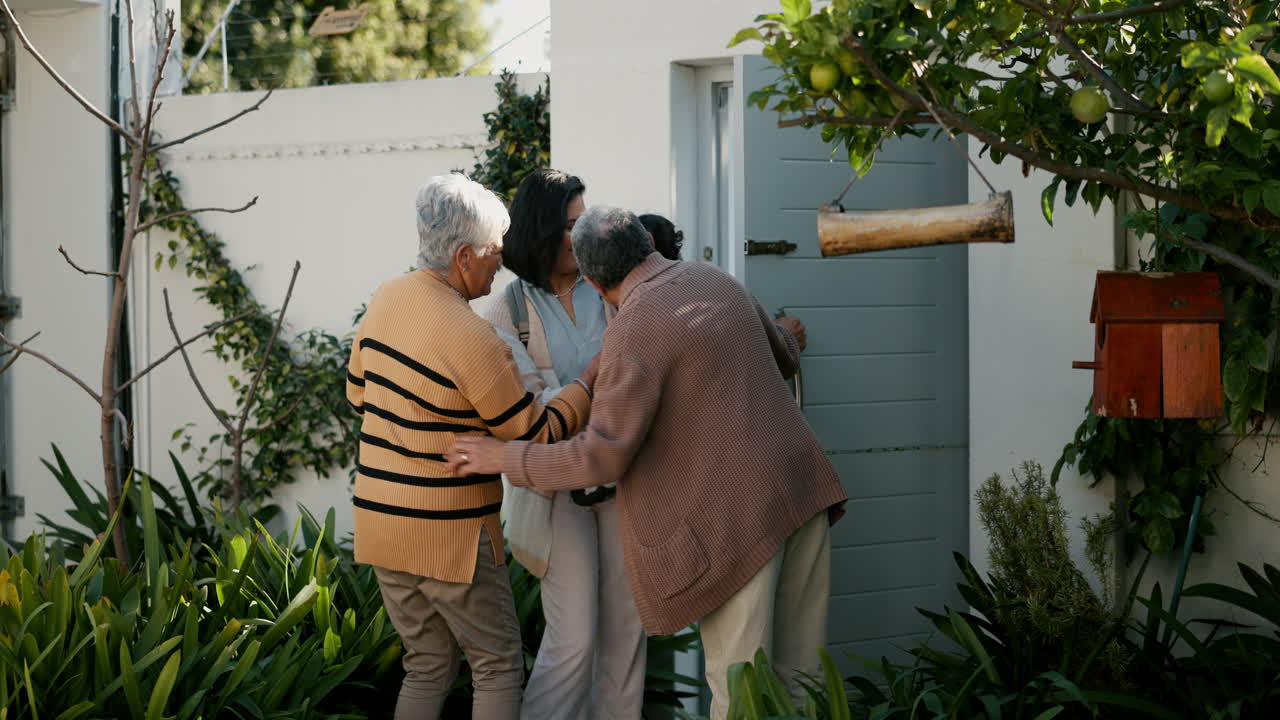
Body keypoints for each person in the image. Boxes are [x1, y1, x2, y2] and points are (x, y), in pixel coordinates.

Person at [448, 206, 849, 720]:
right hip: (802, 491)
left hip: (742, 522)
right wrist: (789, 333)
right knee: (802, 683)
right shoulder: (713, 279)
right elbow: (784, 355)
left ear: (593, 281)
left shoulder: (634, 328)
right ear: (648, 247)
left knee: (742, 691)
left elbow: (600, 456)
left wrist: (503, 456)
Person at [345, 173, 599, 720]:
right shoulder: (473, 338)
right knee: (497, 665)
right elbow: (536, 434)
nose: (500, 261)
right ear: (463, 257)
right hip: (449, 535)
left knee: (427, 664)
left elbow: (358, 393)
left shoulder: (386, 299)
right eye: (492, 251)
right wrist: (588, 383)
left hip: (381, 526)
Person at [484, 169, 647, 720]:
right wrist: (595, 391)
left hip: (625, 475)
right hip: (557, 488)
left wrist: (581, 398)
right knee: (573, 636)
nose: (583, 237)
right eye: (571, 226)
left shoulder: (609, 283)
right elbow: (532, 411)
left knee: (627, 633)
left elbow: (640, 369)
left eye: (585, 223)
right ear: (540, 230)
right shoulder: (508, 309)